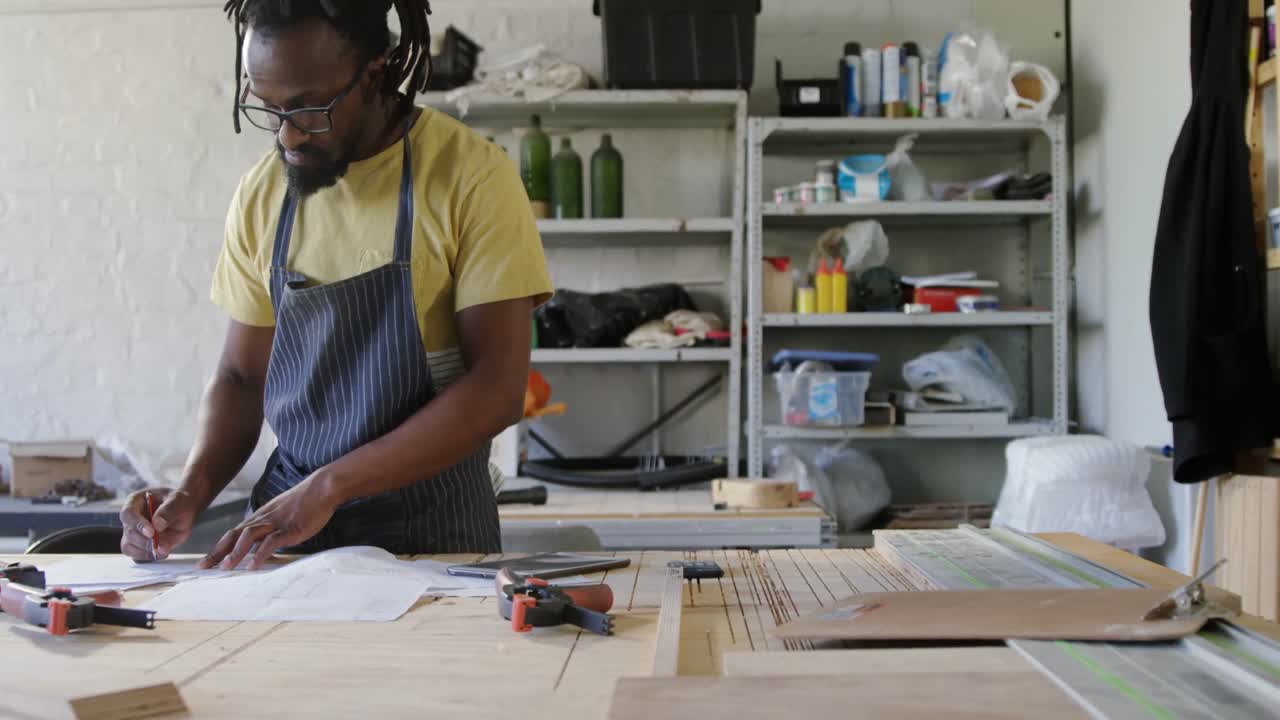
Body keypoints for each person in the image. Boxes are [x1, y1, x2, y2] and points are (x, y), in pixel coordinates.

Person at [118, 0, 551, 570]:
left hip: (433, 536)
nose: (288, 138)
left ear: (377, 71)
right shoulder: (263, 193)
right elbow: (242, 376)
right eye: (268, 110)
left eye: (308, 109)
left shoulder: (470, 176)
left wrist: (329, 487)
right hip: (285, 536)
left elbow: (496, 389)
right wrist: (190, 492)